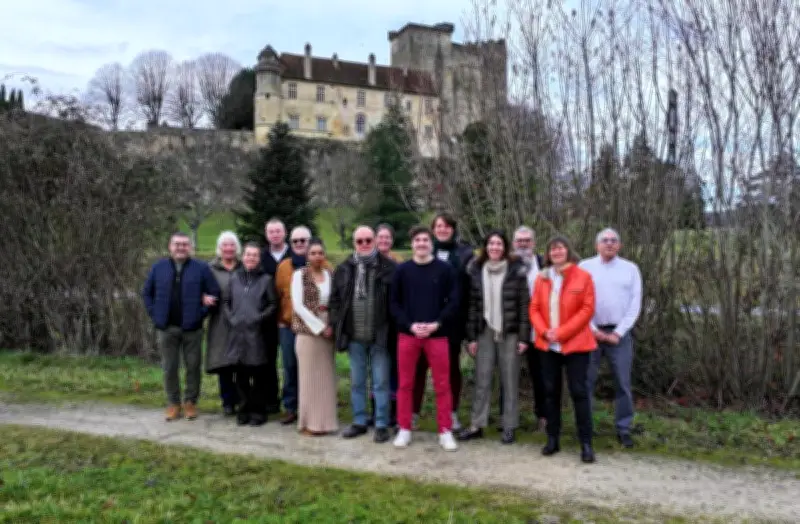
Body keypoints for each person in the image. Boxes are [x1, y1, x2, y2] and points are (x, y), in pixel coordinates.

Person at [391, 225, 460, 451]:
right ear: (412, 244)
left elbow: (454, 301)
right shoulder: (402, 271)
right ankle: (404, 428)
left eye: (425, 240)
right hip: (408, 336)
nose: (421, 243)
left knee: (443, 384)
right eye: (418, 240)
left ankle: (445, 430)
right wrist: (410, 325)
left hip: (437, 335)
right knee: (405, 384)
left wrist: (437, 323)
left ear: (431, 244)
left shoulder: (445, 270)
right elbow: (394, 304)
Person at [529, 235, 597, 463]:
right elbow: (534, 308)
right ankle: (552, 438)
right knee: (550, 392)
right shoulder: (542, 278)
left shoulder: (583, 276)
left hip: (576, 344)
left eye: (561, 248)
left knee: (579, 392)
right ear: (548, 254)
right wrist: (544, 331)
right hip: (548, 345)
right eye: (552, 249)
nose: (557, 252)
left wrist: (562, 332)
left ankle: (586, 443)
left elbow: (587, 310)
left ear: (568, 251)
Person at [459, 230, 530, 444]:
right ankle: (477, 424)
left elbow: (524, 305)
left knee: (509, 380)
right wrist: (471, 337)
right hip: (484, 330)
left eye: (499, 244)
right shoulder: (476, 270)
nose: (495, 247)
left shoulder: (516, 270)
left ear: (505, 247)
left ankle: (509, 425)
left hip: (510, 331)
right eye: (491, 244)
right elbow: (472, 305)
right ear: (485, 247)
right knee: (482, 378)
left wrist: (524, 338)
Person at [142, 232, 220, 422]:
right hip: (166, 328)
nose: (181, 248)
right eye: (177, 244)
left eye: (185, 245)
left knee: (193, 367)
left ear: (190, 248)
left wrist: (201, 313)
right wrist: (155, 314)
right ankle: (173, 403)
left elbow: (214, 294)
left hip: (192, 329)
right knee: (170, 367)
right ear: (170, 246)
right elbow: (146, 293)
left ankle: (190, 402)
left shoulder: (201, 268)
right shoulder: (158, 268)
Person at [330, 226, 397, 443]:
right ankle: (359, 421)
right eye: (360, 241)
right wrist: (336, 321)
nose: (365, 244)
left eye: (368, 240)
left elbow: (396, 301)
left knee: (380, 382)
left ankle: (381, 424)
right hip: (354, 336)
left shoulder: (389, 268)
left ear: (375, 241)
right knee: (358, 381)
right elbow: (335, 300)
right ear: (354, 243)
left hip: (380, 335)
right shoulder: (344, 269)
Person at [580, 228, 642, 449]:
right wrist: (592, 328)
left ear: (620, 245)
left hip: (620, 334)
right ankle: (586, 427)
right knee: (586, 381)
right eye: (604, 240)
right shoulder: (585, 267)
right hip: (589, 333)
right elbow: (577, 302)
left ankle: (623, 428)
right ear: (597, 245)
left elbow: (635, 304)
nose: (609, 244)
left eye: (614, 240)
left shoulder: (631, 269)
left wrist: (619, 332)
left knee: (623, 383)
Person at [412, 213, 473, 432]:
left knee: (450, 370)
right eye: (438, 226)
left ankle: (451, 413)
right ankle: (413, 413)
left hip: (451, 323)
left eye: (447, 226)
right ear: (432, 230)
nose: (443, 229)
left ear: (453, 229)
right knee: (419, 369)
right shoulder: (426, 250)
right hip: (423, 320)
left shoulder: (465, 254)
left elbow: (467, 291)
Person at [496, 226, 547, 432]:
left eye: (527, 240)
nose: (523, 244)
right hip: (512, 329)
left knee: (542, 376)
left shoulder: (544, 264)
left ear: (534, 243)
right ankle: (506, 419)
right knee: (508, 376)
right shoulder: (503, 265)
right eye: (519, 241)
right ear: (513, 243)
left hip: (540, 330)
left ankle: (543, 417)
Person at [224, 243, 277, 426]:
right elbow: (226, 302)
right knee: (241, 376)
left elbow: (273, 304)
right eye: (248, 255)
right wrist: (231, 318)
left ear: (259, 259)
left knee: (259, 375)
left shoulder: (266, 280)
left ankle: (258, 411)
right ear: (243, 256)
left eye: (255, 255)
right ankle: (244, 409)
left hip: (257, 335)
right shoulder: (234, 279)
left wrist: (259, 318)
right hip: (237, 335)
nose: (251, 258)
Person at [291, 238, 338, 435]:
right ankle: (308, 423)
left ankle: (325, 423)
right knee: (309, 379)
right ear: (307, 255)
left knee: (326, 379)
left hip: (329, 329)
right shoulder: (299, 275)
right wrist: (319, 327)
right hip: (308, 331)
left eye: (320, 253)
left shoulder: (330, 275)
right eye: (313, 253)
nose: (317, 256)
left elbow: (336, 301)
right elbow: (298, 306)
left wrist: (332, 324)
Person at [274, 225, 312, 425]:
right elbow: (278, 296)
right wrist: (280, 321)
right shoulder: (283, 267)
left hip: (312, 328)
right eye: (295, 241)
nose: (299, 244)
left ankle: (310, 407)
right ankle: (290, 407)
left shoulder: (321, 264)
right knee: (289, 367)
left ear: (309, 242)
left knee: (310, 368)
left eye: (303, 240)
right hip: (288, 326)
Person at [206, 231, 242, 416]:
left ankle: (243, 399)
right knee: (224, 363)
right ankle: (228, 401)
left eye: (232, 245)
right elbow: (201, 288)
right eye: (225, 245)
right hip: (220, 321)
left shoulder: (244, 267)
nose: (229, 248)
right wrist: (203, 297)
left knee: (242, 362)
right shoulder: (211, 269)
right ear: (219, 248)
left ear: (237, 248)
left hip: (242, 321)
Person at [260, 218, 291, 415]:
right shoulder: (261, 257)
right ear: (266, 235)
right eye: (271, 232)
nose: (275, 235)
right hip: (266, 317)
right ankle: (271, 400)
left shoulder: (295, 253)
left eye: (278, 231)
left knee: (291, 362)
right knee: (267, 360)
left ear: (285, 233)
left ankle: (291, 402)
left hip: (289, 317)